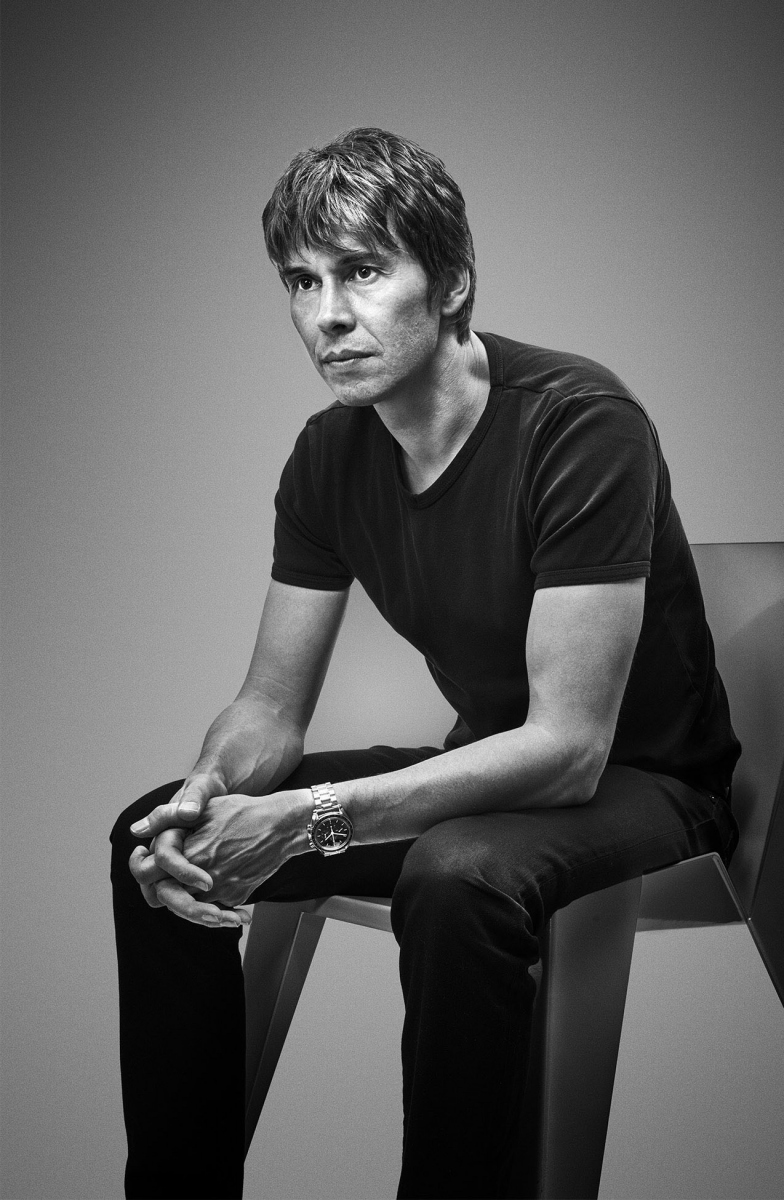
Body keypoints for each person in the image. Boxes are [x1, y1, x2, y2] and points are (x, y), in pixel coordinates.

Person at [111, 127, 740, 1200]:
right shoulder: (327, 457)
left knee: (456, 877)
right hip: (488, 770)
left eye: (361, 271)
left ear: (451, 285)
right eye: (301, 281)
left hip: (647, 783)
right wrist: (209, 792)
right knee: (155, 837)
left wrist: (308, 819)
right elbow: (269, 708)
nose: (327, 314)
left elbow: (570, 752)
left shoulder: (581, 425)